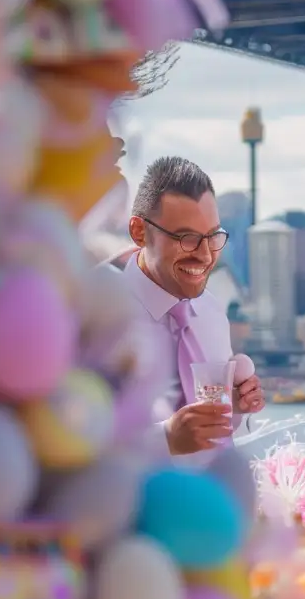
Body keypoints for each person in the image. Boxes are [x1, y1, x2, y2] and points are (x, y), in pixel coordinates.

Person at [111, 156, 265, 455]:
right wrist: (166, 438)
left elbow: (219, 435)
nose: (206, 255)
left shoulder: (211, 313)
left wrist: (238, 406)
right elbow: (71, 445)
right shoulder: (100, 315)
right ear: (139, 232)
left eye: (212, 237)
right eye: (187, 238)